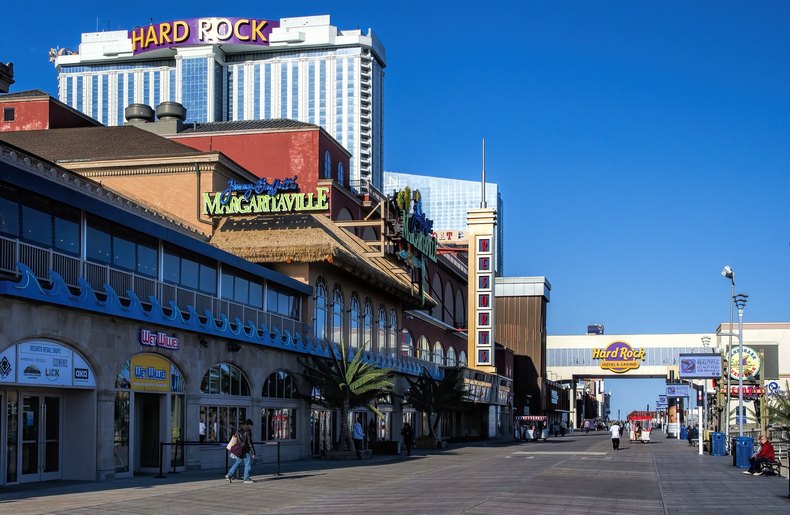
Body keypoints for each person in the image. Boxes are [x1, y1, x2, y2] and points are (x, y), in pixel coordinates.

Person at [225, 419, 256, 484]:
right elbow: (249, 443)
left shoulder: (239, 430)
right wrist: (253, 453)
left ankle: (229, 475)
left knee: (237, 462)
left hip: (239, 450)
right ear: (249, 425)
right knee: (247, 463)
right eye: (251, 425)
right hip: (245, 450)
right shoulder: (248, 431)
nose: (251, 427)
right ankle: (246, 478)